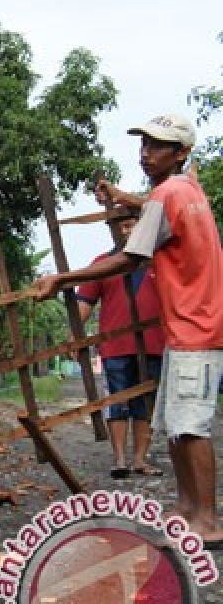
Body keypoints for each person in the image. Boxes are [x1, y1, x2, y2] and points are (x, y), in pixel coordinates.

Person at [36, 114, 223, 548]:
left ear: (180, 153)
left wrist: (62, 279)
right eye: (144, 144)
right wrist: (125, 197)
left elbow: (129, 258)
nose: (146, 152)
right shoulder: (188, 188)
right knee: (175, 424)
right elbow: (159, 206)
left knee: (191, 427)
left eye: (158, 146)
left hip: (195, 329)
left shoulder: (165, 195)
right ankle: (187, 508)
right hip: (192, 327)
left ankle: (208, 521)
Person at [75, 213, 165, 480]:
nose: (128, 229)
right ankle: (119, 459)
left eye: (133, 223)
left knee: (145, 403)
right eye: (122, 225)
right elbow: (85, 303)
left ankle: (140, 459)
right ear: (113, 229)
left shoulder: (159, 262)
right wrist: (74, 336)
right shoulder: (103, 264)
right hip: (115, 346)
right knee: (117, 402)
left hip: (154, 345)